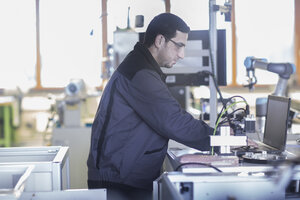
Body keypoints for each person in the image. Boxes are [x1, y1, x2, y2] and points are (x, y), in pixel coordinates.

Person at [87, 12, 216, 200]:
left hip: (125, 176)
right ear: (160, 40)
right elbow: (173, 120)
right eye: (179, 46)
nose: (182, 55)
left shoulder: (142, 67)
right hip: (118, 182)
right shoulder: (140, 74)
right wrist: (221, 139)